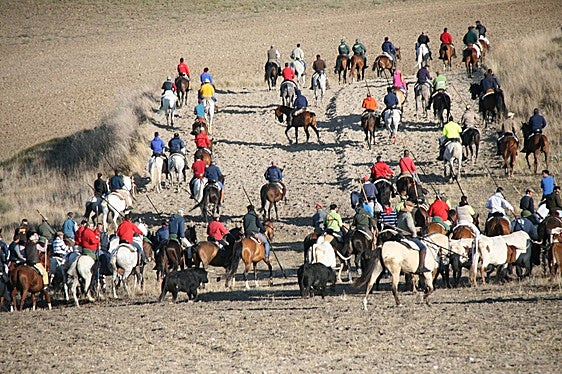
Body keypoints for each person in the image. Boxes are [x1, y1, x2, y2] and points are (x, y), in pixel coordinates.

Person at [396, 201, 429, 273]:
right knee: (423, 248)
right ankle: (421, 267)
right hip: (408, 236)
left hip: (401, 235)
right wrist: (414, 232)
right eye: (411, 207)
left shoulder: (400, 214)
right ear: (407, 206)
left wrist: (416, 228)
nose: (412, 208)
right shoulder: (408, 215)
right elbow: (410, 226)